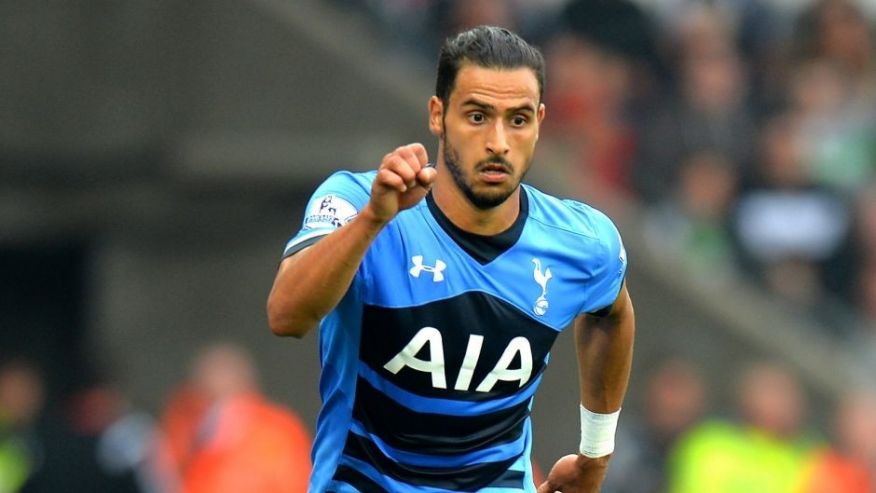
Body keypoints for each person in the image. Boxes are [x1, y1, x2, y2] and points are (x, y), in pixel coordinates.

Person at [267, 25, 635, 493]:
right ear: (438, 115)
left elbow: (612, 314)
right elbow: (286, 315)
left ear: (540, 122)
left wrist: (595, 457)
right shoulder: (359, 201)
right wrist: (371, 223)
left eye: (518, 120)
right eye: (478, 116)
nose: (499, 142)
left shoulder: (582, 243)